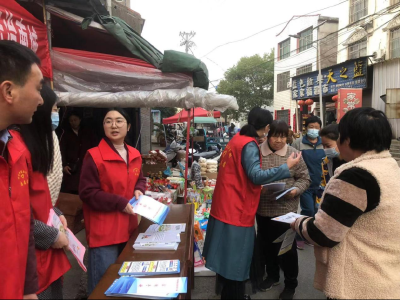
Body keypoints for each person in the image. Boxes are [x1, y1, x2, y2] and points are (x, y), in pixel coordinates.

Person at [292, 107, 400, 299]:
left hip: (360, 282)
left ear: (347, 140)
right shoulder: (390, 167)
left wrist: (297, 222)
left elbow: (324, 234)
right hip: (387, 275)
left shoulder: (356, 177)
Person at [203, 107, 302, 300]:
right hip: (237, 209)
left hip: (227, 205)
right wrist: (286, 167)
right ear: (266, 128)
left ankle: (231, 294)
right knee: (235, 260)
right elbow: (255, 176)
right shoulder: (249, 144)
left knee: (229, 257)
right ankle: (233, 296)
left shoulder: (236, 139)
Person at [79, 108, 146, 295]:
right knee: (104, 287)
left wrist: (139, 189)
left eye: (119, 121)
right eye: (108, 121)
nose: (114, 125)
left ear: (129, 126)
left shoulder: (134, 154)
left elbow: (139, 178)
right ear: (103, 126)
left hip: (129, 229)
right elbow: (87, 192)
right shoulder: (94, 156)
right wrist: (118, 202)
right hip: (104, 234)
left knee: (124, 285)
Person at [0, 40, 43, 299]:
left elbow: (23, 225)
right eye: (38, 89)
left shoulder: (16, 151)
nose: (41, 99)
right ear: (9, 91)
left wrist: (28, 289)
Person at [19, 85, 71, 299]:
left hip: (49, 253)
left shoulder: (41, 145)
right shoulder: (18, 150)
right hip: (33, 256)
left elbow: (40, 198)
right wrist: (50, 235)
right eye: (53, 109)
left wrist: (56, 212)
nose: (55, 114)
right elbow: (16, 213)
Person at [256, 120, 311, 300]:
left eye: (283, 136)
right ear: (267, 134)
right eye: (275, 136)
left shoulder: (294, 154)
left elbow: (304, 179)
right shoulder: (257, 152)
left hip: (286, 210)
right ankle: (272, 276)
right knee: (267, 247)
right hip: (263, 209)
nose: (279, 140)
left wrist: (295, 190)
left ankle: (290, 283)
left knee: (287, 249)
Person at [292, 116, 325, 249]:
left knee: (317, 212)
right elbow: (293, 162)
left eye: (317, 127)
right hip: (305, 184)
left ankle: (310, 235)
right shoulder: (298, 143)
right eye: (311, 127)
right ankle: (299, 236)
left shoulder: (324, 143)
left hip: (321, 185)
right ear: (306, 128)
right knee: (308, 210)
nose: (314, 130)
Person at [60, 111, 97, 194]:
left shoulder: (88, 132)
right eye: (71, 121)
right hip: (71, 166)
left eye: (75, 120)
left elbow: (94, 147)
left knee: (86, 188)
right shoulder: (65, 134)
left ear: (80, 120)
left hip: (86, 163)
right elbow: (62, 149)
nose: (73, 122)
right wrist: (64, 165)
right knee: (71, 189)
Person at [47, 104, 63, 205]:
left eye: (57, 110)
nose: (56, 114)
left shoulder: (53, 135)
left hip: (50, 203)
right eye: (54, 110)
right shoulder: (38, 137)